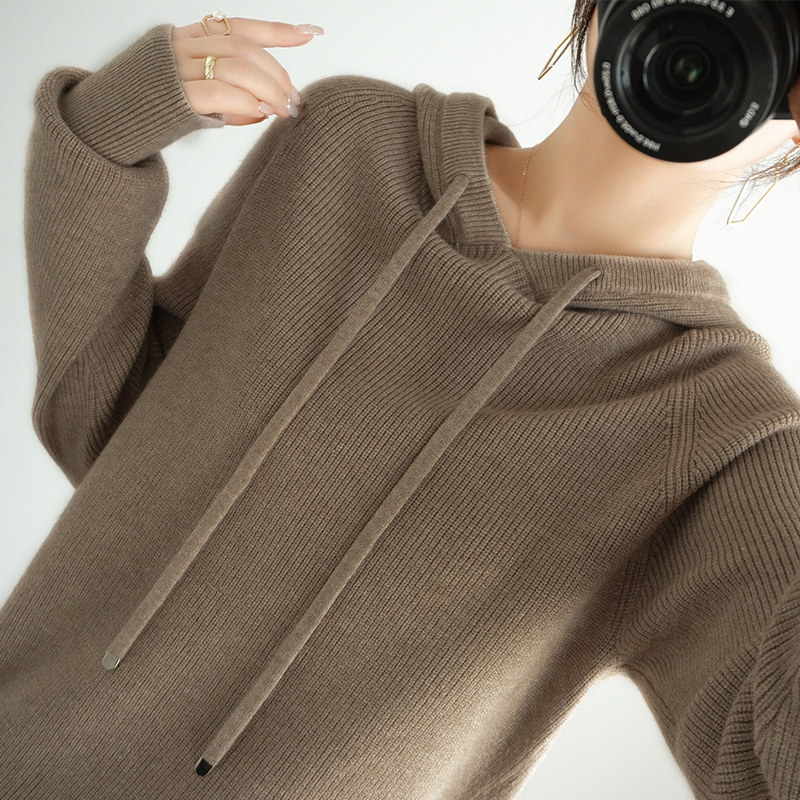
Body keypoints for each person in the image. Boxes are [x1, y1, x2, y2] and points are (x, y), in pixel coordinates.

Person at [1, 4, 799, 799]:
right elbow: (116, 439)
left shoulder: (723, 427)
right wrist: (101, 135)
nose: (712, 31)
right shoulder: (350, 143)